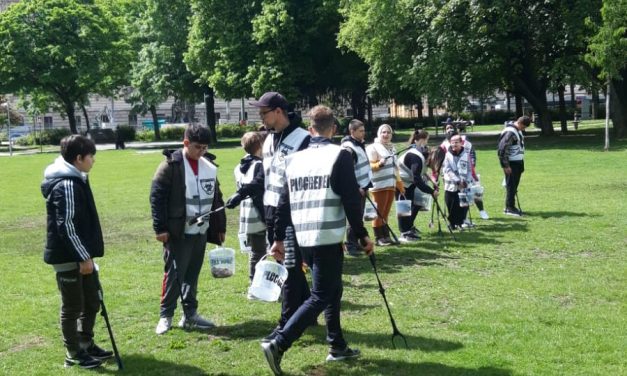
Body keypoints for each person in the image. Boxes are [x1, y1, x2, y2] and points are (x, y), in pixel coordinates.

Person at [261, 105, 374, 376]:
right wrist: (361, 234)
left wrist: (278, 238)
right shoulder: (340, 155)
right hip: (327, 235)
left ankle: (337, 344)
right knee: (321, 294)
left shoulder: (294, 159)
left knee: (333, 291)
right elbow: (350, 199)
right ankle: (280, 343)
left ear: (311, 129)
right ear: (333, 129)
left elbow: (283, 203)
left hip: (302, 237)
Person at [227, 91, 312, 341]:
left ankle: (285, 325)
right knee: (292, 267)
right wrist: (241, 193)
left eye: (264, 113)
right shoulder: (269, 140)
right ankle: (308, 312)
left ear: (278, 112)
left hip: (292, 214)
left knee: (286, 268)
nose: (260, 117)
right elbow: (266, 176)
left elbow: (292, 184)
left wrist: (280, 228)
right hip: (271, 212)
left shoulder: (302, 140)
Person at [41, 135, 112, 369]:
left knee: (91, 301)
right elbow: (67, 226)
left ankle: (85, 343)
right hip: (68, 257)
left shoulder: (77, 178)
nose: (93, 161)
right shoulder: (66, 184)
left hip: (82, 255)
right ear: (79, 158)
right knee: (72, 306)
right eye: (91, 156)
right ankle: (73, 352)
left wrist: (87, 255)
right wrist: (83, 257)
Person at [150, 124, 226, 335]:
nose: (202, 151)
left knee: (192, 274)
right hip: (177, 231)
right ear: (186, 143)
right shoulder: (170, 165)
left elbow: (216, 197)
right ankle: (166, 315)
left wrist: (219, 227)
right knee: (174, 274)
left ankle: (190, 314)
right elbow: (157, 197)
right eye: (197, 147)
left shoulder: (208, 165)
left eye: (205, 147)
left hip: (201, 230)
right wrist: (160, 228)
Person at [230, 131, 268, 297]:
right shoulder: (260, 165)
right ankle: (254, 287)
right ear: (260, 146)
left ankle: (259, 283)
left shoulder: (238, 166)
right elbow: (258, 187)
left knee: (257, 250)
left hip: (246, 213)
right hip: (258, 213)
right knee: (259, 252)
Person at [397, 130, 438, 241]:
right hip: (400, 182)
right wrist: (431, 191)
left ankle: (408, 230)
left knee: (408, 206)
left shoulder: (419, 155)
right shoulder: (416, 157)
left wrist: (432, 182)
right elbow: (417, 180)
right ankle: (404, 233)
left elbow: (421, 172)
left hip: (407, 183)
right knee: (403, 207)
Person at [366, 124, 403, 245]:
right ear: (379, 134)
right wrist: (378, 164)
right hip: (378, 185)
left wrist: (399, 184)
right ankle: (378, 238)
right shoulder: (373, 148)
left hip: (390, 184)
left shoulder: (392, 148)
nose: (386, 135)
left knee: (386, 212)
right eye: (383, 132)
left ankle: (386, 235)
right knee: (378, 212)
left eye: (388, 132)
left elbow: (396, 168)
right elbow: (368, 166)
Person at [340, 119, 372, 256]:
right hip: (356, 188)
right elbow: (348, 170)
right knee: (354, 216)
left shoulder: (358, 144)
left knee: (359, 216)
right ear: (352, 131)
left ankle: (355, 242)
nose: (363, 133)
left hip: (363, 186)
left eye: (364, 130)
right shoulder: (349, 148)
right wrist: (357, 186)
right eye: (360, 131)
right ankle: (351, 245)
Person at [498, 116, 530, 216]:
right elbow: (502, 150)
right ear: (519, 123)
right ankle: (509, 207)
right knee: (511, 186)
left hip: (517, 163)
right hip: (511, 164)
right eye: (523, 127)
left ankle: (511, 206)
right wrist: (506, 166)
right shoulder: (510, 132)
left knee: (513, 186)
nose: (523, 129)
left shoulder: (516, 130)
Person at [442, 134, 473, 229]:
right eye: (452, 142)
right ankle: (452, 223)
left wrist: (466, 180)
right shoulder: (447, 154)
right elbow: (447, 169)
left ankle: (460, 222)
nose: (454, 144)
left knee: (463, 205)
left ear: (461, 143)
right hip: (451, 185)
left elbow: (469, 169)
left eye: (456, 142)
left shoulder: (466, 154)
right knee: (451, 204)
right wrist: (457, 180)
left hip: (464, 185)